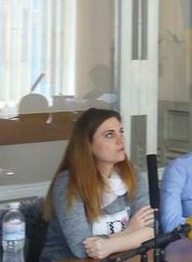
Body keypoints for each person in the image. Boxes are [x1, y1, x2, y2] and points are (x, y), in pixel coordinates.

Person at [41, 108, 155, 262]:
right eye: (109, 135)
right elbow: (82, 249)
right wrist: (128, 231)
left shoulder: (132, 173)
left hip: (119, 257)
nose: (120, 140)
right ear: (88, 144)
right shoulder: (68, 183)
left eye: (121, 132)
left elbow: (150, 230)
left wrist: (110, 245)